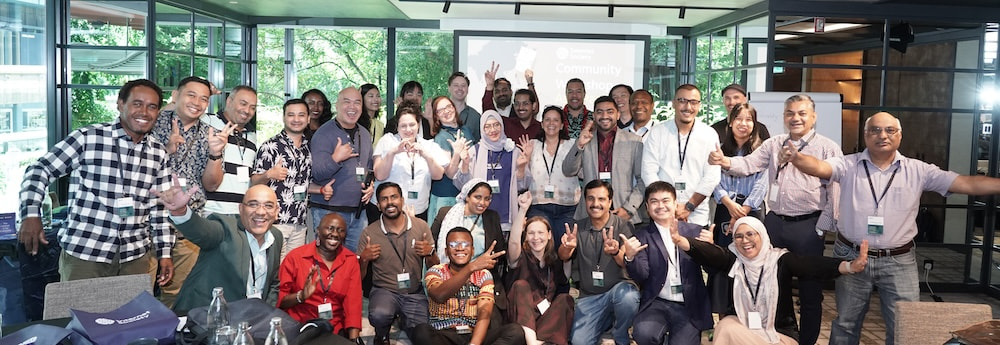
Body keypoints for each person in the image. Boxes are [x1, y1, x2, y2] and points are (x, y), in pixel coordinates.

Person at [785, 112, 1000, 345]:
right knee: (846, 323)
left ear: (900, 136)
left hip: (899, 260)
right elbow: (818, 167)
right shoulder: (848, 164)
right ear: (866, 135)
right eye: (875, 130)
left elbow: (966, 183)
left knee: (904, 325)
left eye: (890, 130)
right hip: (851, 255)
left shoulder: (919, 170)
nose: (882, 135)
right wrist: (797, 158)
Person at [708, 93, 841, 345]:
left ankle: (807, 341)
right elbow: (747, 164)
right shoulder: (774, 143)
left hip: (808, 225)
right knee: (768, 283)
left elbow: (836, 189)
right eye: (790, 113)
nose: (796, 118)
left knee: (809, 291)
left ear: (813, 117)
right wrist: (724, 161)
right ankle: (771, 335)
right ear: (783, 117)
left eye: (802, 113)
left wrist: (822, 227)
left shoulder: (827, 147)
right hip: (774, 224)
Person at [18, 79, 173, 286]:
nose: (144, 111)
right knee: (77, 318)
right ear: (120, 104)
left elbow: (160, 208)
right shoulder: (88, 138)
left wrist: (164, 252)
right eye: (137, 103)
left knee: (132, 318)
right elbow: (39, 170)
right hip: (86, 254)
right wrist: (30, 214)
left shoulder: (158, 152)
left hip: (134, 257)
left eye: (152, 106)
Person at [678, 217, 869, 345]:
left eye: (750, 234)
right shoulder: (734, 260)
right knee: (725, 326)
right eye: (739, 236)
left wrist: (849, 266)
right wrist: (681, 241)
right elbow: (712, 255)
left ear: (762, 234)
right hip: (744, 327)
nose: (745, 241)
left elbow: (811, 265)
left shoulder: (780, 260)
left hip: (778, 335)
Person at [155, 183, 284, 315]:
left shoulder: (276, 237)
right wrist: (180, 211)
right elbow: (202, 231)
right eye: (253, 204)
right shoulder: (225, 229)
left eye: (268, 206)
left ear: (276, 212)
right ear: (240, 209)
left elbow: (273, 283)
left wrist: (267, 313)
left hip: (249, 319)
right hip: (205, 318)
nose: (261, 212)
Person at [621, 181, 714, 345]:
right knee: (643, 334)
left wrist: (709, 249)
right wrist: (630, 258)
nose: (660, 206)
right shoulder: (642, 235)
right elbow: (642, 276)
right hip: (658, 302)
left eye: (665, 201)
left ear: (675, 204)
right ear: (647, 209)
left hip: (689, 304)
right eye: (654, 202)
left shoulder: (695, 231)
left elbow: (711, 269)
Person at [150, 76, 214, 307]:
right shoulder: (152, 121)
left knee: (179, 294)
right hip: (147, 225)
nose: (197, 102)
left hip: (187, 225)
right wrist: (167, 150)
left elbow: (211, 184)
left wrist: (216, 154)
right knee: (139, 292)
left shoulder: (210, 134)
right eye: (191, 95)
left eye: (204, 99)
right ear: (176, 96)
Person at [410, 227, 525, 345]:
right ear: (446, 251)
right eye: (453, 244)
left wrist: (474, 344)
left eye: (465, 244)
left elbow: (484, 312)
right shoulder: (436, 271)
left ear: (473, 250)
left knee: (515, 332)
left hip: (474, 334)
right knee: (421, 332)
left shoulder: (483, 274)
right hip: (444, 335)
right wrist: (470, 268)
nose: (460, 248)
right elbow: (439, 295)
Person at [558, 180, 638, 345]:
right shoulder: (577, 228)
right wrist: (567, 247)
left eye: (601, 199)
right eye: (591, 199)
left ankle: (620, 334)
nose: (596, 204)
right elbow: (563, 256)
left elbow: (627, 262)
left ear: (610, 202)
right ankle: (605, 322)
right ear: (585, 201)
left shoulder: (624, 226)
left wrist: (615, 252)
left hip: (618, 292)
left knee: (628, 297)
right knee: (579, 342)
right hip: (590, 297)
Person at [358, 182, 439, 345]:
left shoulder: (420, 226)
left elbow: (435, 267)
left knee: (422, 332)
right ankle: (381, 334)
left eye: (394, 197)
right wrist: (364, 259)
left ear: (402, 200)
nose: (390, 202)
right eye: (384, 199)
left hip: (414, 292)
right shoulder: (369, 232)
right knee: (380, 315)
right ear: (379, 205)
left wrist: (429, 252)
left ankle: (405, 321)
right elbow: (358, 277)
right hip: (384, 290)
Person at [252, 99, 329, 260]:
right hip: (276, 221)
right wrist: (269, 174)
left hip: (299, 222)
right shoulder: (270, 146)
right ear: (284, 117)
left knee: (293, 271)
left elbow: (303, 184)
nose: (296, 119)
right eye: (291, 115)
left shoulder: (307, 149)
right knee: (274, 272)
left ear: (308, 119)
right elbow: (253, 182)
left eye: (301, 115)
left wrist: (321, 190)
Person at [641, 84, 721, 227]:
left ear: (699, 105)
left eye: (693, 102)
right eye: (682, 101)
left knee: (694, 250)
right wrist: (668, 205)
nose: (688, 107)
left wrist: (689, 206)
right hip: (662, 214)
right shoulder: (657, 132)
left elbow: (712, 177)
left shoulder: (709, 134)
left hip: (697, 215)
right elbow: (648, 172)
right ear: (673, 103)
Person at [431, 179, 510, 319]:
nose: (482, 203)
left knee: (493, 324)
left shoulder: (491, 217)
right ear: (467, 196)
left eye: (487, 199)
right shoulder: (446, 214)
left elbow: (499, 252)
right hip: (451, 276)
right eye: (477, 197)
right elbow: (432, 245)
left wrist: (489, 261)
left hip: (483, 278)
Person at [277, 212, 361, 343]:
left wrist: (354, 339)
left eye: (341, 230)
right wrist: (301, 296)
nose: (335, 234)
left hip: (334, 327)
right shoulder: (295, 257)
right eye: (330, 228)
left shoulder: (350, 260)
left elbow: (353, 303)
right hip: (300, 326)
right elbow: (279, 301)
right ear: (318, 231)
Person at [310, 87, 375, 253]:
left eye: (357, 102)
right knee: (328, 263)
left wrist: (370, 186)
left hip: (359, 214)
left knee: (354, 265)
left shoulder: (365, 134)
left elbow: (369, 167)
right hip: (329, 211)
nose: (352, 107)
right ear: (337, 105)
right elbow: (316, 173)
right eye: (347, 102)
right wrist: (335, 159)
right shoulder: (323, 133)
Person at [562, 96, 645, 225]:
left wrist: (629, 209)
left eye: (610, 111)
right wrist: (579, 144)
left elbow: (642, 180)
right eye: (599, 112)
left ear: (618, 115)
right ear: (594, 116)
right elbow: (568, 170)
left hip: (622, 212)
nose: (604, 115)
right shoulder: (585, 139)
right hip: (589, 214)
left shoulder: (634, 141)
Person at [507, 193, 574, 345]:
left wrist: (568, 250)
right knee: (520, 285)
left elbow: (566, 275)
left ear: (549, 235)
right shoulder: (520, 257)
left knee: (565, 299)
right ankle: (532, 342)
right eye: (530, 233)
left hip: (544, 321)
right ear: (525, 236)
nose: (536, 237)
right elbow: (514, 243)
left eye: (540, 233)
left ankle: (545, 342)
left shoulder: (553, 260)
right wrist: (523, 210)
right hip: (521, 322)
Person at [454, 110, 530, 231]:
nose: (492, 130)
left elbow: (522, 187)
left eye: (496, 125)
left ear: (502, 126)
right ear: (482, 129)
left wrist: (521, 168)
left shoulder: (514, 151)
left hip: (507, 219)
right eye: (487, 126)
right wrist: (465, 164)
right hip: (479, 219)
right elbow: (463, 186)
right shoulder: (474, 151)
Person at [372, 105, 451, 220]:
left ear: (418, 124)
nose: (408, 130)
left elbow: (438, 175)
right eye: (403, 126)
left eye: (412, 125)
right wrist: (393, 152)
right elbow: (379, 175)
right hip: (388, 209)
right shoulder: (387, 141)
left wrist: (425, 155)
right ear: (397, 127)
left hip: (418, 209)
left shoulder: (428, 145)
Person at [713, 103, 769, 247]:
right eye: (738, 118)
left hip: (752, 210)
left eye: (749, 119)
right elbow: (714, 181)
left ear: (754, 124)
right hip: (725, 208)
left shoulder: (762, 152)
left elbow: (762, 185)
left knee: (752, 252)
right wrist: (730, 204)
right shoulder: (719, 150)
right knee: (724, 253)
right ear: (731, 122)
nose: (743, 123)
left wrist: (743, 210)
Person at [523, 106, 579, 248]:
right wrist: (525, 159)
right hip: (538, 206)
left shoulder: (573, 145)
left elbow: (581, 170)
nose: (551, 123)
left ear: (561, 125)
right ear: (542, 124)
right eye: (547, 120)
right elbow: (523, 178)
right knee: (539, 248)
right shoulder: (532, 145)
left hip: (568, 207)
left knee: (566, 248)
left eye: (555, 120)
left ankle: (564, 272)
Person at [202, 85, 259, 216]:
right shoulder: (207, 121)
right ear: (229, 101)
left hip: (240, 212)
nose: (247, 110)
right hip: (211, 210)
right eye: (243, 104)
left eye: (252, 107)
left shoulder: (251, 136)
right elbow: (173, 115)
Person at [428, 96, 473, 225]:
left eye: (448, 107)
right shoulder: (441, 137)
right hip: (447, 195)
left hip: (464, 192)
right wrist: (457, 153)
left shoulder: (465, 130)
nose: (446, 111)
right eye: (440, 110)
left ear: (454, 107)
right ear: (436, 116)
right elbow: (450, 173)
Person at [449, 72, 482, 142]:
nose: (460, 88)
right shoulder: (441, 113)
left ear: (467, 89)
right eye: (456, 85)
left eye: (463, 85)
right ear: (449, 88)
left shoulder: (475, 116)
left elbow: (478, 143)